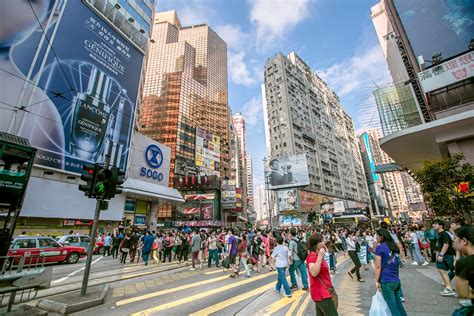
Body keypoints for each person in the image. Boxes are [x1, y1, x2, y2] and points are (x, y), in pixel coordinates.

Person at [374, 228, 407, 316]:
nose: (376, 237)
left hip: (386, 281)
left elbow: (378, 266)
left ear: (382, 237)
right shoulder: (393, 247)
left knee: (393, 307)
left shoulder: (380, 248)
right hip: (396, 280)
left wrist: (376, 281)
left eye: (377, 236)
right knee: (399, 305)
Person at [306, 232, 338, 315]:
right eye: (321, 241)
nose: (323, 243)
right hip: (322, 293)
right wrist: (320, 256)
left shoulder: (317, 255)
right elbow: (313, 272)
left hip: (322, 292)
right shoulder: (313, 256)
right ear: (315, 244)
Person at [452, 226, 474, 316]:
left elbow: (462, 293)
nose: (453, 242)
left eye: (455, 239)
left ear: (464, 241)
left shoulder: (464, 263)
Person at [433, 219, 457, 297]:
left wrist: (441, 254)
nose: (434, 225)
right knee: (441, 270)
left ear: (441, 226)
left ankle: (450, 287)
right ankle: (448, 287)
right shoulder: (438, 234)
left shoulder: (444, 234)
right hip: (442, 255)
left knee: (455, 271)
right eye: (434, 224)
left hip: (448, 255)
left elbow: (446, 244)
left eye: (436, 224)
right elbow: (438, 245)